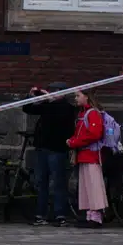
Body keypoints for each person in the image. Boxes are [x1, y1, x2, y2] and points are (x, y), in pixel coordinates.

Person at [25, 82, 77, 226]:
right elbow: (28, 109)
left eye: (56, 91)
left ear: (64, 93)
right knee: (41, 182)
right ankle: (40, 214)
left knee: (59, 183)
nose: (52, 93)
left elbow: (61, 117)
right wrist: (31, 96)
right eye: (51, 91)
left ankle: (60, 215)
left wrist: (50, 100)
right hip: (42, 148)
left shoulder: (67, 107)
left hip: (57, 150)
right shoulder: (48, 105)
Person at [67, 90, 109, 228]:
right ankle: (89, 215)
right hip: (84, 155)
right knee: (86, 187)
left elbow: (94, 135)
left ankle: (96, 217)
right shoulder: (83, 113)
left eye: (78, 95)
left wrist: (74, 142)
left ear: (86, 96)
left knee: (93, 186)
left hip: (92, 155)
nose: (75, 98)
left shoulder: (92, 113)